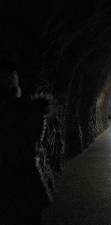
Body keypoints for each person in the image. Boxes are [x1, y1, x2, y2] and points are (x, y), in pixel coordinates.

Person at [0, 67, 52, 225]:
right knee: (30, 215)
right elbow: (36, 138)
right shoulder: (30, 111)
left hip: (10, 177)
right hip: (25, 176)